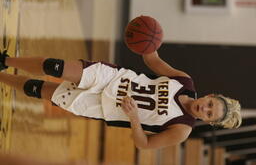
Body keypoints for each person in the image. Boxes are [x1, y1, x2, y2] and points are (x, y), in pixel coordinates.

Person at [0, 50, 241, 149]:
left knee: (38, 89)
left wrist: (134, 118)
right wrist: (148, 43)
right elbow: (153, 61)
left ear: (208, 121)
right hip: (112, 78)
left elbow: (144, 145)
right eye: (211, 103)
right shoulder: (184, 81)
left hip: (102, 108)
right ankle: (6, 60)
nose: (205, 108)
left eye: (209, 114)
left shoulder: (181, 130)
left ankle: (1, 76)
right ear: (210, 96)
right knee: (55, 66)